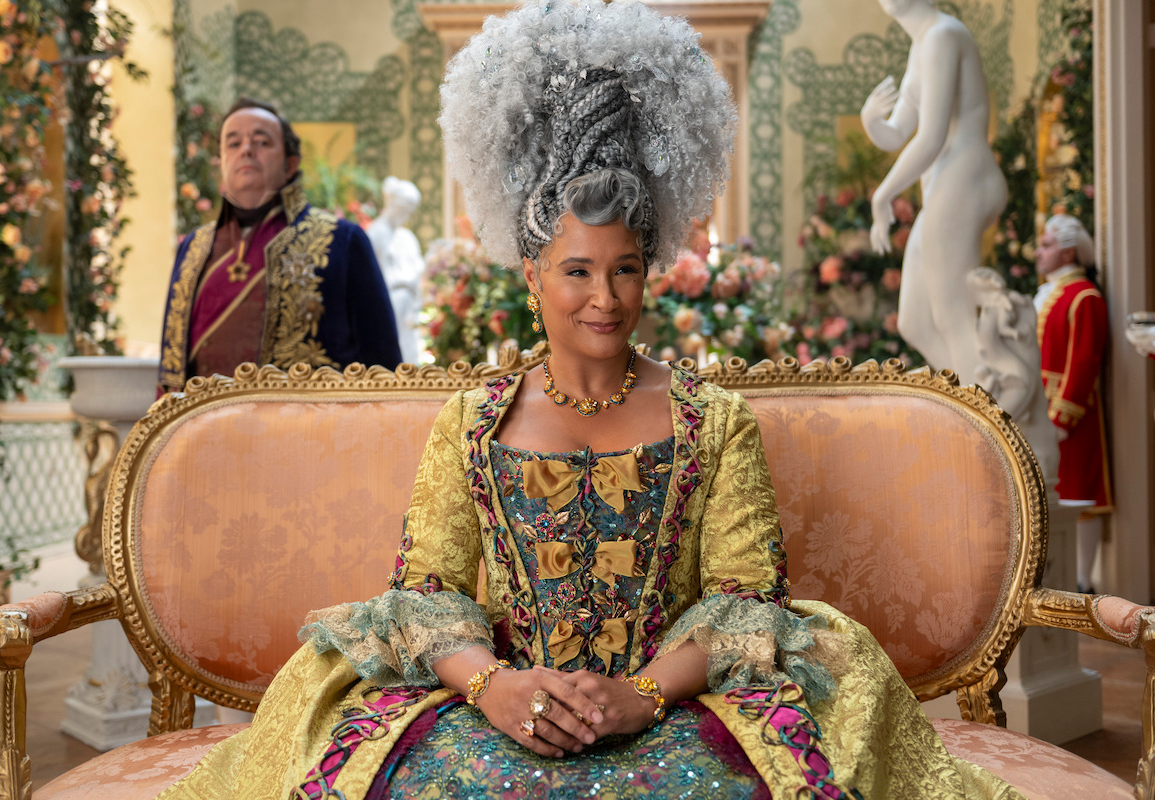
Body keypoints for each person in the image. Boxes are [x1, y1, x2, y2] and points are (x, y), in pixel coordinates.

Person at [160, 3, 1022, 797]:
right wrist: (496, 688)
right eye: (577, 270)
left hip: (674, 714)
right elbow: (425, 592)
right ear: (532, 274)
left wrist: (640, 696)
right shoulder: (475, 419)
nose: (604, 297)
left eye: (626, 269)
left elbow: (745, 604)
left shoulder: (713, 423)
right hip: (494, 710)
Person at [157, 98, 402, 394]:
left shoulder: (342, 241)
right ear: (220, 163)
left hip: (308, 434)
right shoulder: (194, 247)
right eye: (233, 144)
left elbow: (384, 368)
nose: (246, 150)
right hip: (199, 434)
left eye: (261, 141)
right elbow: (170, 369)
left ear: (290, 163)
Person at [860, 0, 1007, 384]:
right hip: (945, 187)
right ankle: (979, 397)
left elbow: (932, 136)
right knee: (915, 322)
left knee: (952, 316)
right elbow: (898, 132)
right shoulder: (922, 44)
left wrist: (883, 195)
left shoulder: (944, 35)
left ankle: (988, 423)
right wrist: (872, 122)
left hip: (965, 178)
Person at [1033, 213, 1113, 592]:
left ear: (1068, 253)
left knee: (1081, 493)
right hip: (1042, 411)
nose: (1038, 252)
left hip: (1070, 415)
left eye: (1046, 245)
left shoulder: (1085, 296)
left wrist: (1062, 417)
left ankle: (1083, 581)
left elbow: (1083, 361)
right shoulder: (1053, 293)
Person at [367, 177, 425, 363]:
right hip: (387, 300)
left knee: (409, 350)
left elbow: (419, 270)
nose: (405, 216)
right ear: (393, 204)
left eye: (409, 212)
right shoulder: (375, 233)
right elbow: (369, 274)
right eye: (403, 210)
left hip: (409, 302)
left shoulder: (407, 236)